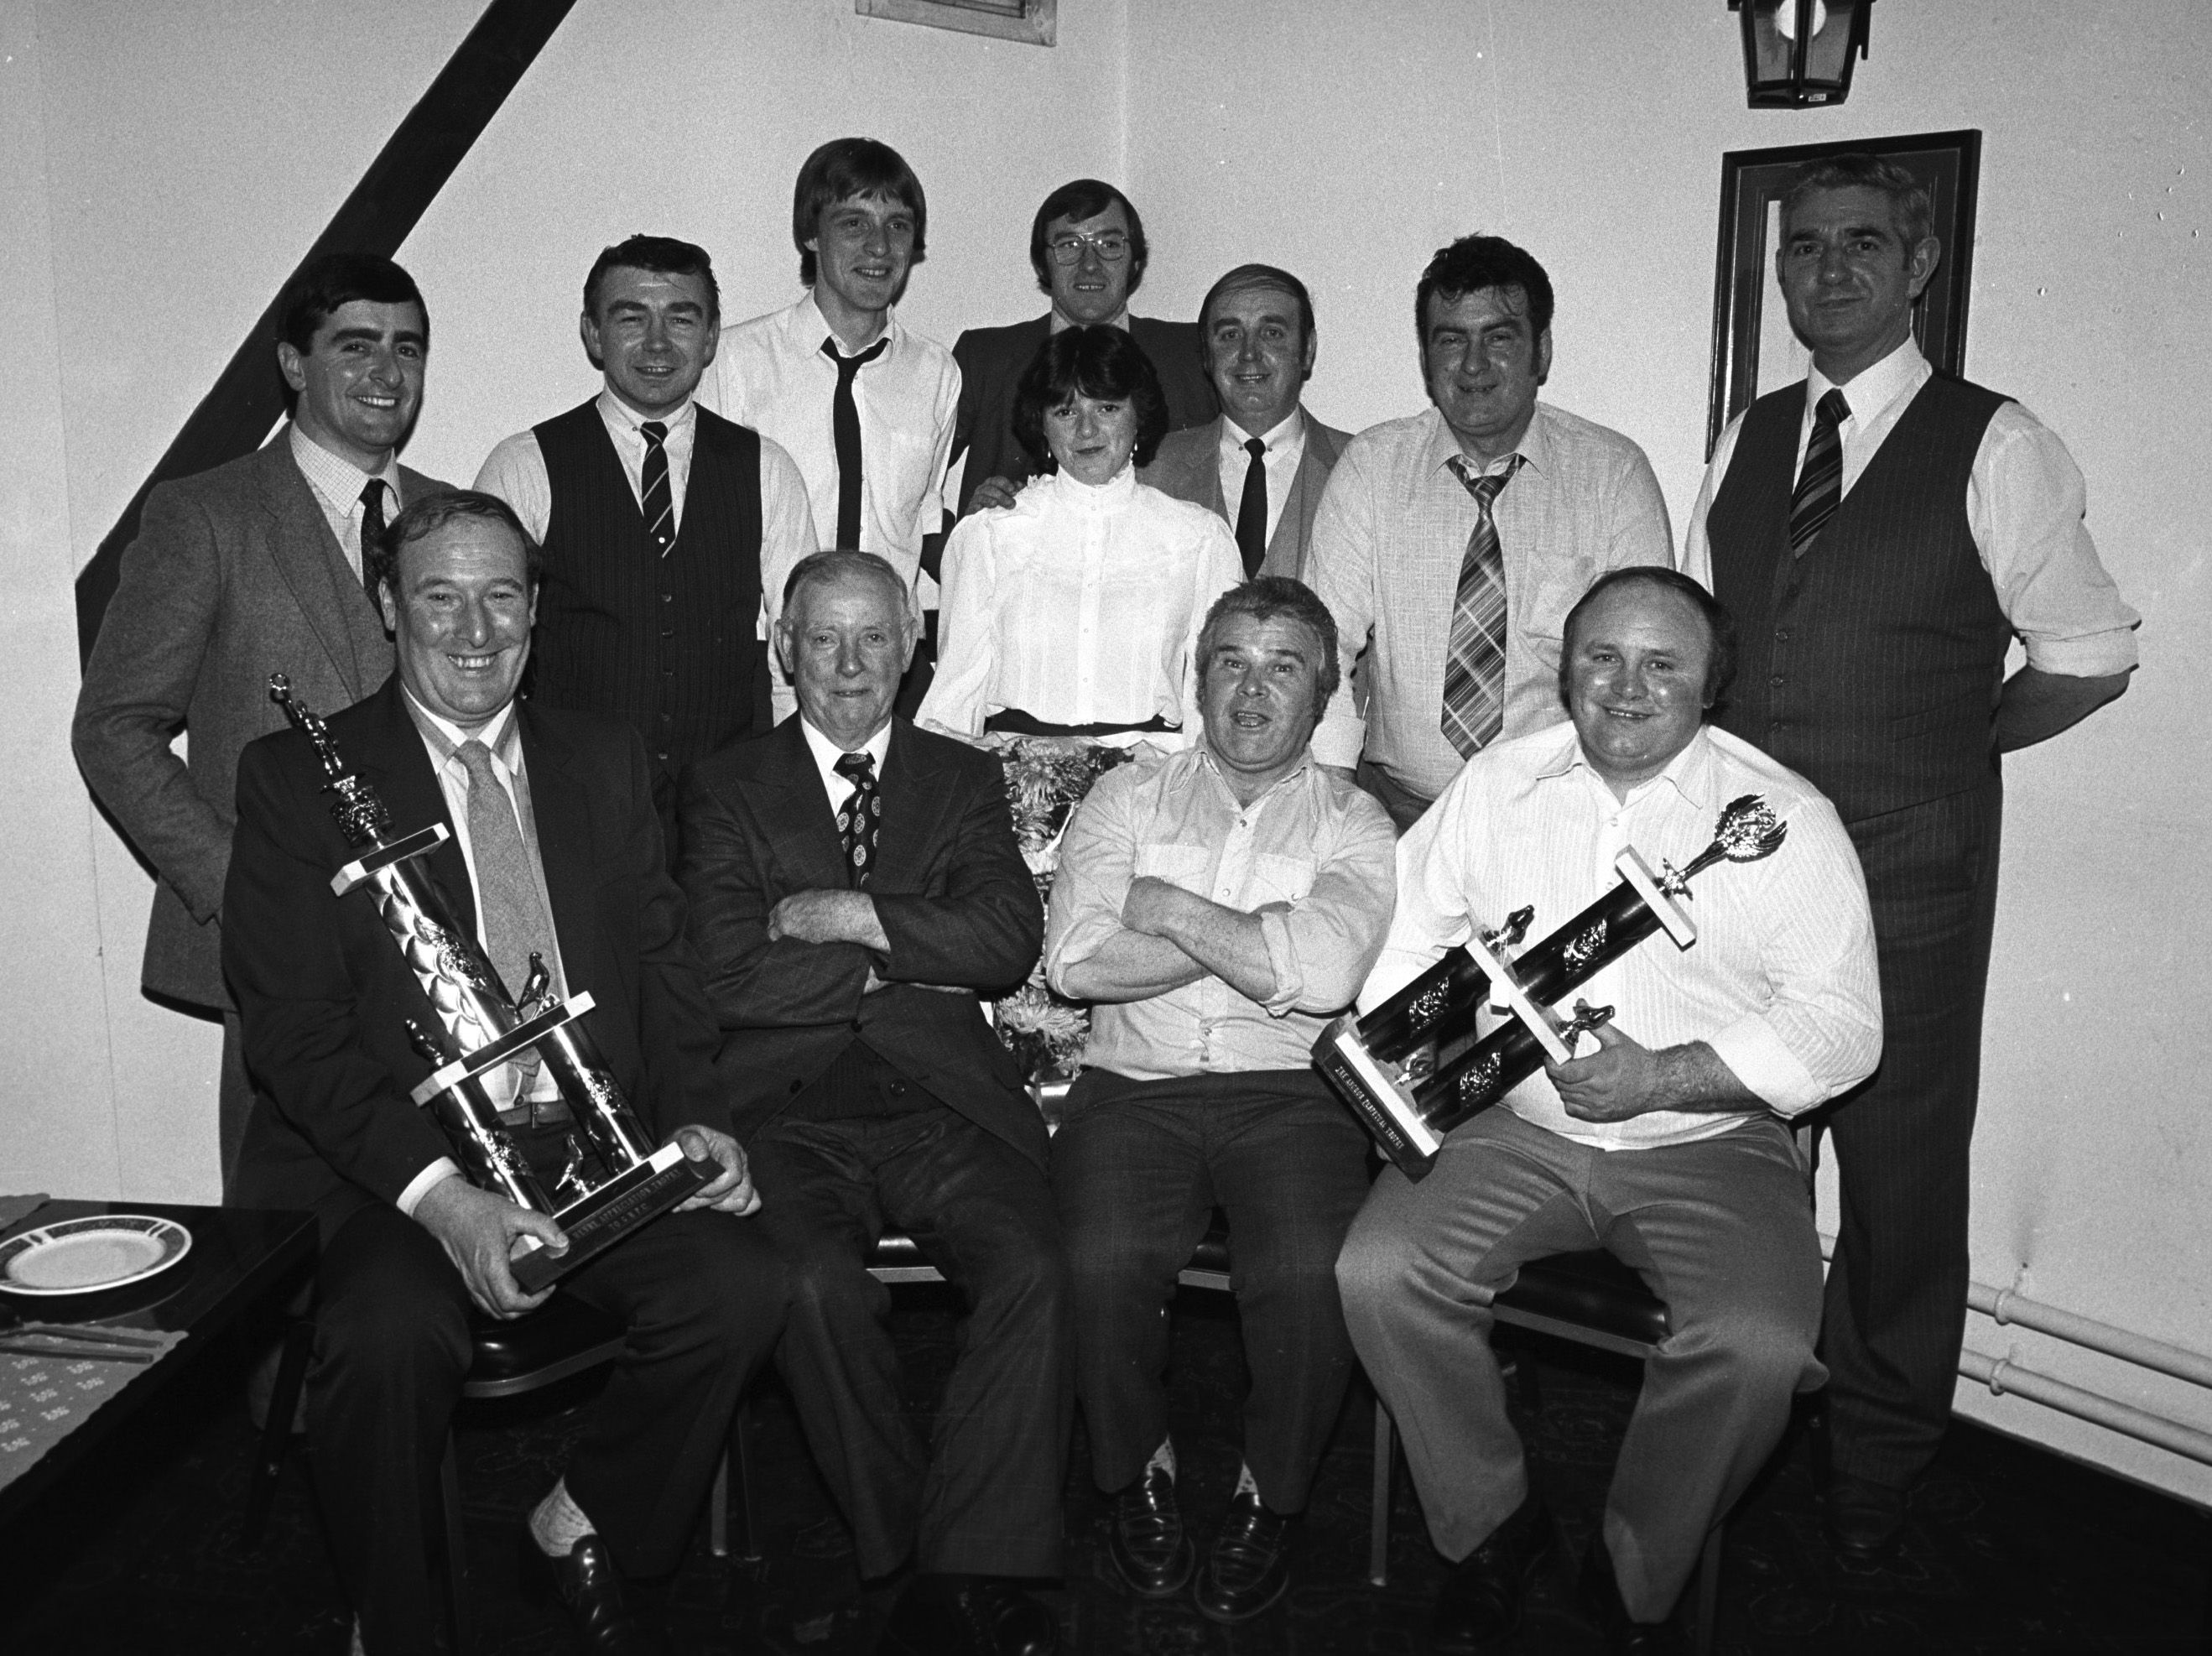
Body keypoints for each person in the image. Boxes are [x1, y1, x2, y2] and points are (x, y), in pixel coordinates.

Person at [224, 492, 787, 1655]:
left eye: (500, 597)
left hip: (590, 1143)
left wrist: (701, 1121)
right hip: (398, 1162)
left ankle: (582, 1511)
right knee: (385, 1334)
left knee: (742, 1287)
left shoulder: (606, 756)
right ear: (389, 605)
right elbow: (297, 1038)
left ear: (535, 611)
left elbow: (663, 965)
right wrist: (451, 1201)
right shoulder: (293, 780)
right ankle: (400, 1620)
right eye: (440, 595)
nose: (473, 630)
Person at [1681, 152, 2140, 1559]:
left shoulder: (1994, 441)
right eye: (1805, 244)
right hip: (1747, 866)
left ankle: (1875, 1463)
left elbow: (2088, 655)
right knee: (1740, 1137)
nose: (1829, 269)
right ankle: (1731, 1414)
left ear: (1919, 261)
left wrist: (1948, 742)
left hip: (1908, 865)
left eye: (1862, 242)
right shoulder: (1749, 433)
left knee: (1898, 1167)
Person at [1337, 569, 1882, 1654]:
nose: (1626, 687)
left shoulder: (1782, 819)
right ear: (1565, 667)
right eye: (1602, 657)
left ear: (1708, 685)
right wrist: (1435, 1063)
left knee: (1761, 1344)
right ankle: (1492, 1526)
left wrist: (1664, 1076)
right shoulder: (1499, 782)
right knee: (1376, 1272)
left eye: (1661, 663)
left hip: (1707, 1143)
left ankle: (1635, 1573)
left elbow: (1843, 1030)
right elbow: (1403, 934)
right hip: (1517, 1128)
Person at [677, 550, 1065, 1656]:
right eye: (822, 639)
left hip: (942, 1098)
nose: (849, 666)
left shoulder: (961, 778)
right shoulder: (725, 783)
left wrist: (848, 916)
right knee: (808, 1283)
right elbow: (719, 973)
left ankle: (972, 1558)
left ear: (910, 645)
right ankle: (906, 1550)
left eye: (874, 639)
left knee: (1038, 1264)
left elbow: (1004, 943)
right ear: (782, 645)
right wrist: (905, 949)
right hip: (785, 1109)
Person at [1044, 578, 1394, 1622]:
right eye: (1230, 662)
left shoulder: (1358, 821)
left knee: (1308, 1270)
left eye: (1284, 666)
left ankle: (1265, 1495)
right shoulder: (1125, 798)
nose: (1253, 690)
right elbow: (1075, 965)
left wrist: (1169, 909)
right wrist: (1254, 938)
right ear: (1197, 679)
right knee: (1093, 1260)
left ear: (1324, 691)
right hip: (1131, 1086)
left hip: (1291, 1095)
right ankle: (1136, 1473)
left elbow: (1327, 978)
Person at [73, 253, 448, 1188]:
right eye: (354, 345)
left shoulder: (451, 519)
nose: (386, 372)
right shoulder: (206, 514)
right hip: (286, 958)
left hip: (452, 948)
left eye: (407, 347)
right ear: (292, 363)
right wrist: (242, 885)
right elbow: (115, 724)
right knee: (285, 1251)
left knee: (452, 1242)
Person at [919, 325, 1243, 1081]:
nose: (1087, 429)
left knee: (1129, 1024)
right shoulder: (989, 537)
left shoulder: (1197, 538)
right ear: (1039, 422)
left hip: (1144, 799)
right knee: (1015, 1027)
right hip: (1012, 804)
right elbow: (954, 696)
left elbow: (1211, 704)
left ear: (1139, 415)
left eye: (1105, 406)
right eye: (1064, 411)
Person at [1304, 234, 1673, 831]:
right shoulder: (1373, 467)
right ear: (1426, 359)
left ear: (1541, 352)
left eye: (1498, 338)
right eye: (1450, 340)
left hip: (1558, 815)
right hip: (1398, 813)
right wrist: (1331, 810)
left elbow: (1648, 667)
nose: (1472, 365)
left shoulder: (1612, 475)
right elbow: (1322, 645)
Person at [474, 234, 818, 846]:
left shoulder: (766, 467)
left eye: (681, 319)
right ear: (591, 333)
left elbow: (799, 647)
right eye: (631, 318)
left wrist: (793, 791)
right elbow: (490, 644)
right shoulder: (524, 465)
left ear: (710, 338)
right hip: (570, 807)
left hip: (725, 817)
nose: (657, 343)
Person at [705, 138, 959, 716]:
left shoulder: (935, 371)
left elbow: (921, 519)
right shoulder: (738, 362)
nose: (878, 246)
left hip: (887, 670)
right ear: (811, 234)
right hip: (772, 668)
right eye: (853, 223)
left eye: (897, 225)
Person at [949, 179, 1217, 518]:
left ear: (1135, 260)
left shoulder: (1189, 354)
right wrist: (960, 542)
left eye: (1109, 243)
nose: (1090, 264)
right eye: (1069, 245)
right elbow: (907, 483)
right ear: (1041, 263)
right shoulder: (985, 357)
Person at [1138, 263, 1350, 582]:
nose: (1249, 353)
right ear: (1206, 356)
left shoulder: (1358, 466)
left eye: (1272, 333)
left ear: (1307, 350)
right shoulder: (1151, 471)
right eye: (1230, 335)